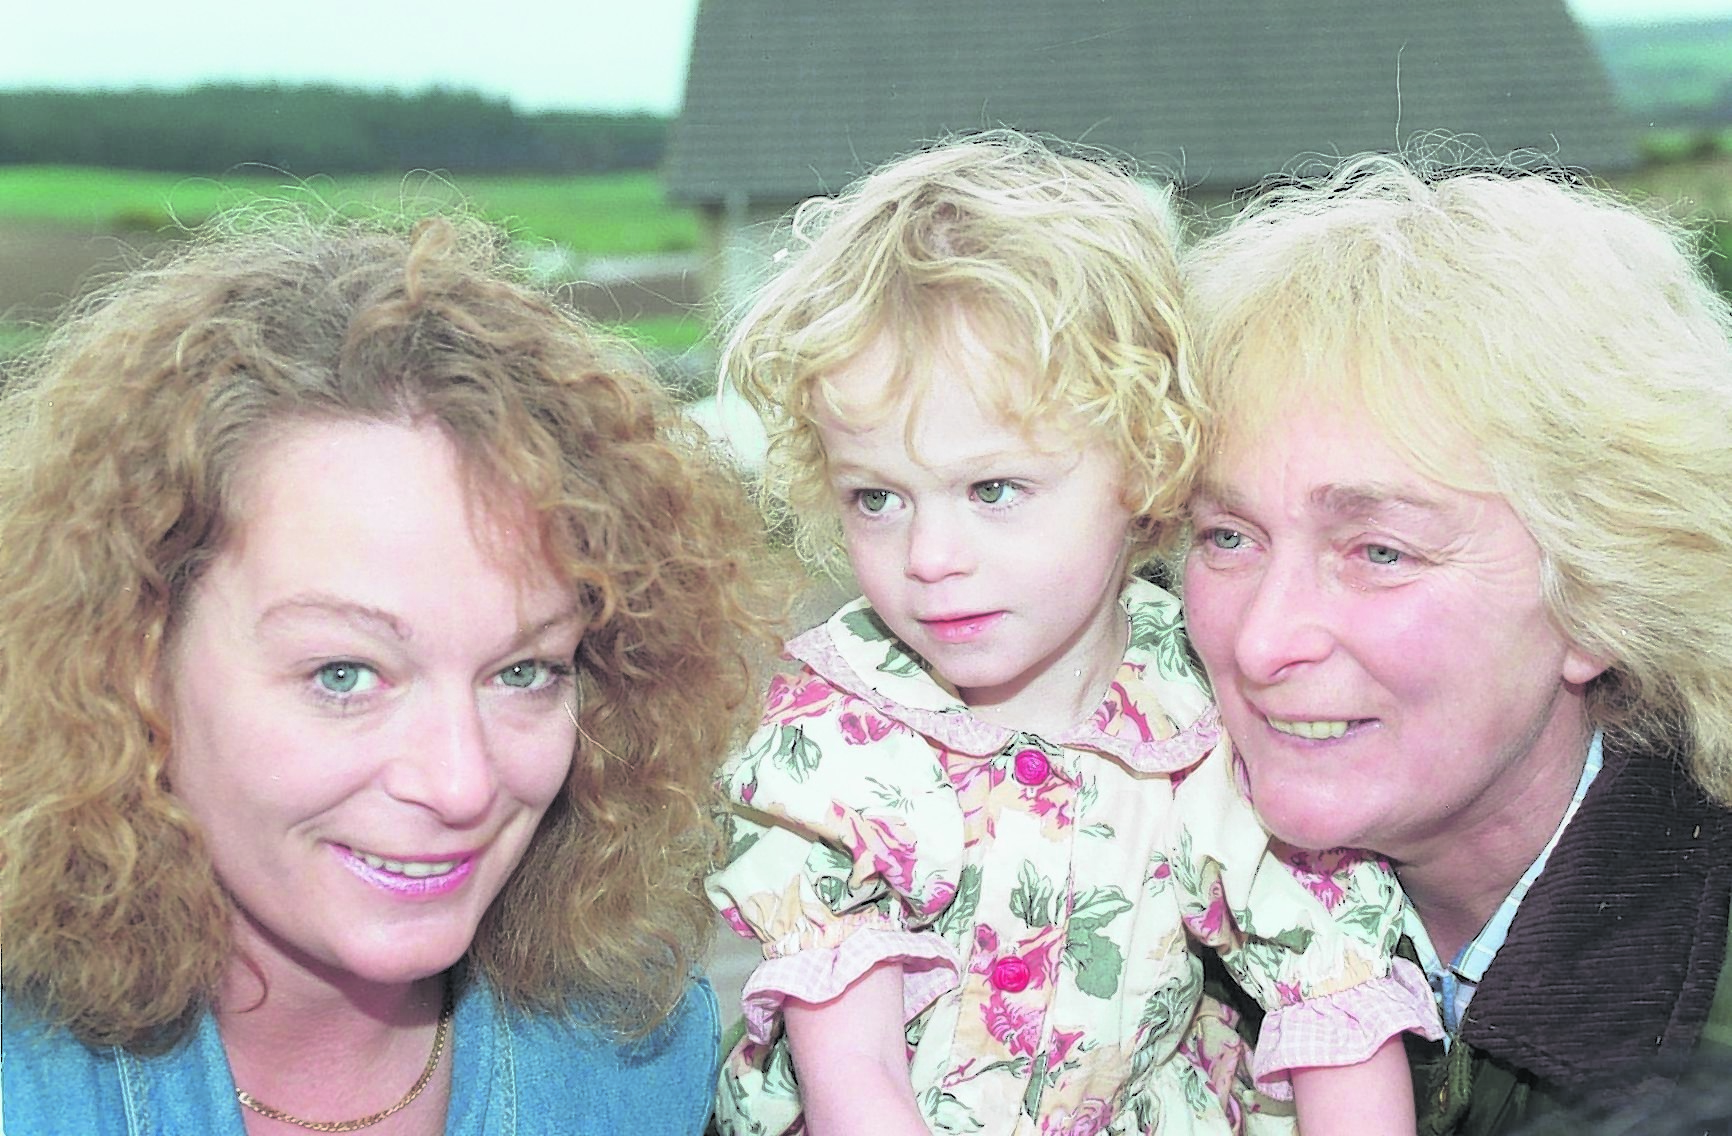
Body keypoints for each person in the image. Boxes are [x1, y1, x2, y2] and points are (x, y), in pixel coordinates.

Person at [704, 130, 1442, 1136]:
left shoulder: (1211, 720)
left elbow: (1339, 1005)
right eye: (876, 498)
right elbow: (856, 1081)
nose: (929, 555)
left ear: (1141, 462)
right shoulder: (839, 732)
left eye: (993, 488)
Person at [0, 212, 778, 1134]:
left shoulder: (634, 1054)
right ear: (130, 661)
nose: (461, 784)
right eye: (344, 674)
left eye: (524, 671)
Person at [1179, 154, 1732, 1136]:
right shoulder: (1099, 886)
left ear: (1600, 598)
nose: (1261, 640)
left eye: (1378, 549)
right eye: (1227, 535)